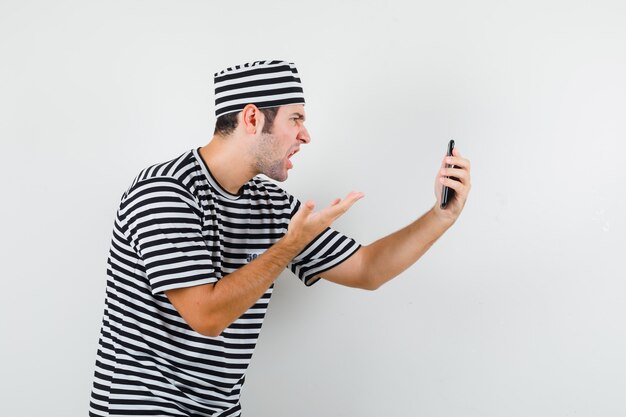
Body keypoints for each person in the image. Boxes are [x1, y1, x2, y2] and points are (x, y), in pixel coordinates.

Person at [89, 60, 471, 417]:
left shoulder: (270, 203)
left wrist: (441, 216)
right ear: (252, 118)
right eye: (296, 118)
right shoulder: (164, 192)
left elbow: (367, 269)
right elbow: (206, 316)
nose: (305, 135)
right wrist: (289, 244)